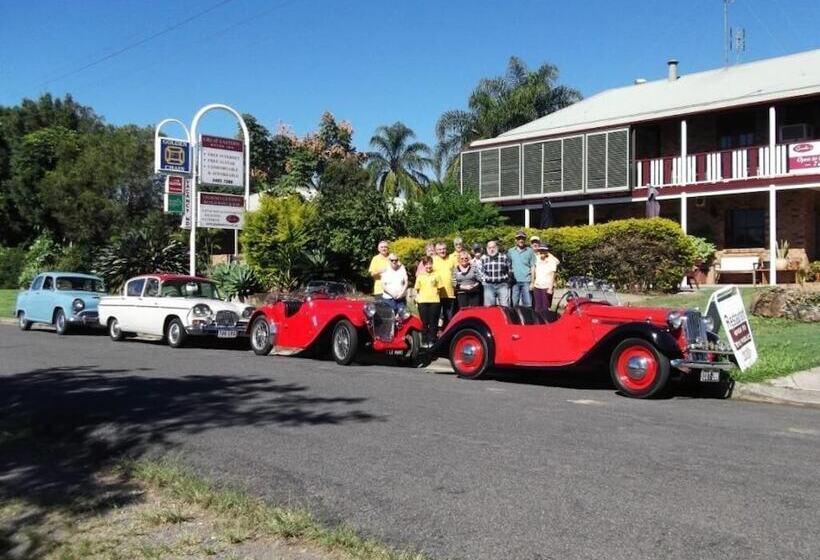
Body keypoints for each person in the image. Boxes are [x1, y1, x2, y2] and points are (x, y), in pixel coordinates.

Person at [414, 256, 440, 347]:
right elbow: (417, 289)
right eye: (426, 264)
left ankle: (432, 340)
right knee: (424, 322)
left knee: (433, 322)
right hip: (422, 301)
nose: (428, 266)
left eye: (430, 264)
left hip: (434, 301)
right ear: (424, 265)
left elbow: (439, 288)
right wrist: (417, 300)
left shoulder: (436, 274)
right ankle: (424, 341)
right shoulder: (420, 276)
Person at [478, 240, 510, 307]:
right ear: (487, 249)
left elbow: (509, 269)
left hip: (502, 285)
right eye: (489, 248)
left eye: (493, 247)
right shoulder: (483, 258)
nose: (491, 249)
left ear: (497, 248)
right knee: (489, 307)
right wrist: (484, 280)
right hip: (489, 286)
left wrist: (507, 281)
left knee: (505, 306)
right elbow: (480, 271)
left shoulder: (504, 257)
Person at [508, 230, 535, 307]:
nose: (521, 240)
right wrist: (509, 277)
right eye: (519, 238)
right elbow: (508, 265)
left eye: (522, 238)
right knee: (514, 304)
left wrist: (532, 282)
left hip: (526, 281)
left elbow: (533, 267)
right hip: (514, 282)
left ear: (525, 239)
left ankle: (527, 315)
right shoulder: (511, 251)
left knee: (527, 304)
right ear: (515, 240)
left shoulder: (530, 251)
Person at [432, 241, 456, 326]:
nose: (442, 251)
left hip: (450, 293)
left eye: (444, 249)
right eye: (440, 249)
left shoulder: (451, 259)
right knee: (437, 318)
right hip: (436, 294)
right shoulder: (432, 260)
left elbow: (457, 272)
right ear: (436, 251)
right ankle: (437, 333)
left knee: (449, 318)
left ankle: (449, 333)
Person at [532, 244, 560, 313]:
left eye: (544, 251)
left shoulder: (552, 260)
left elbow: (553, 274)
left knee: (545, 307)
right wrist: (532, 282)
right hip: (537, 286)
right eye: (541, 251)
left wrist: (550, 288)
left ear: (547, 252)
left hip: (546, 287)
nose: (542, 252)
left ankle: (546, 319)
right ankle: (538, 319)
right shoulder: (537, 259)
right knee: (537, 307)